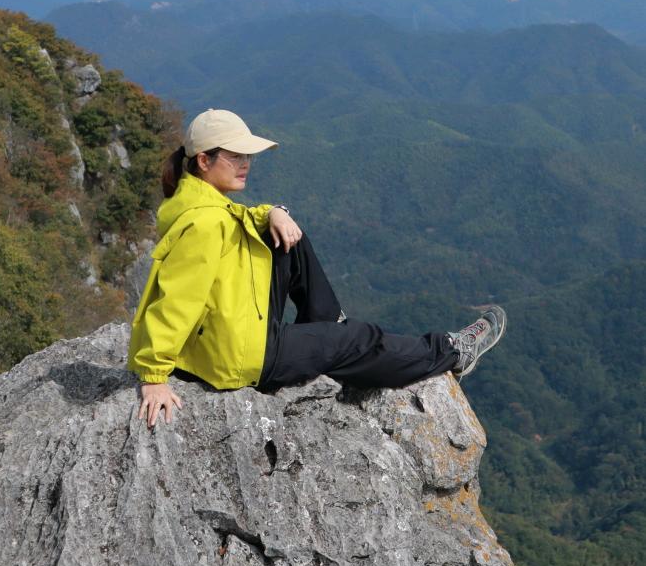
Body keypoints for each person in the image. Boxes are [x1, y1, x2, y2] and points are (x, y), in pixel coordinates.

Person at [128, 109, 506, 428]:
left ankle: (328, 326)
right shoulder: (204, 225)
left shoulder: (197, 202)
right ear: (203, 161)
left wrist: (274, 212)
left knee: (288, 237)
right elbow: (177, 300)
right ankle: (452, 352)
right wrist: (154, 376)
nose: (246, 164)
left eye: (248, 156)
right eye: (235, 156)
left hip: (234, 330)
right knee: (360, 339)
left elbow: (238, 217)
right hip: (243, 355)